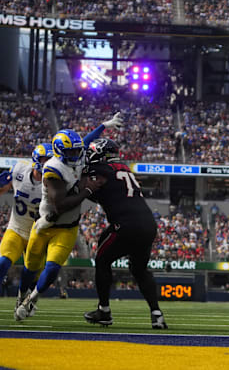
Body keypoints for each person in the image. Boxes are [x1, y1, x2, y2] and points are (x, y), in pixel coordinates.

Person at [15, 113, 123, 321]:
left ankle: (32, 300)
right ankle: (20, 297)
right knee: (30, 267)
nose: (76, 154)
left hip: (68, 227)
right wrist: (87, 191)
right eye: (70, 151)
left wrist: (103, 125)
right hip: (47, 222)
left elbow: (85, 142)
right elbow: (61, 205)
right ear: (59, 151)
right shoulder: (53, 169)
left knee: (53, 267)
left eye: (76, 150)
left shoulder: (77, 153)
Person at [81, 138, 168, 329]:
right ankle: (157, 314)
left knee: (103, 261)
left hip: (127, 225)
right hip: (148, 225)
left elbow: (85, 186)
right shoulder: (124, 168)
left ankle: (104, 310)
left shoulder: (102, 169)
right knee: (139, 270)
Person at [0, 143, 52, 324]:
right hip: (16, 229)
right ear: (36, 160)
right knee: (2, 263)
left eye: (50, 159)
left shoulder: (55, 179)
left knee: (30, 274)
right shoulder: (19, 171)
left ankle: (24, 303)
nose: (48, 163)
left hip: (37, 234)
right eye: (44, 159)